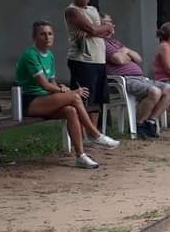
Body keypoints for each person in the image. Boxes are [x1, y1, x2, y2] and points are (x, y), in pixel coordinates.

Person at [14, 21, 106, 168]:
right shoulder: (30, 55)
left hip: (45, 99)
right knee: (75, 96)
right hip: (28, 101)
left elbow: (52, 83)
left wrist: (61, 88)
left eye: (50, 34)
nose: (47, 37)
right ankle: (94, 134)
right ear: (34, 37)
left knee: (70, 110)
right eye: (42, 34)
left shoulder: (49, 55)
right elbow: (43, 84)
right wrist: (68, 92)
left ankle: (81, 156)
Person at [63, 0, 118, 148]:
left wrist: (100, 30)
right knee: (84, 98)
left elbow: (108, 30)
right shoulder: (72, 11)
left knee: (96, 100)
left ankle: (93, 134)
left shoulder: (93, 9)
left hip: (99, 59)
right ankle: (83, 135)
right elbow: (95, 29)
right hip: (82, 60)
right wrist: (100, 29)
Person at [102, 14, 170, 139]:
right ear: (101, 25)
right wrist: (126, 54)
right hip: (124, 80)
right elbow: (118, 59)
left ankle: (150, 121)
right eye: (109, 22)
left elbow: (138, 58)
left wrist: (127, 53)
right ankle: (138, 125)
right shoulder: (103, 44)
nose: (113, 25)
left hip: (140, 79)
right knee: (155, 92)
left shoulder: (116, 43)